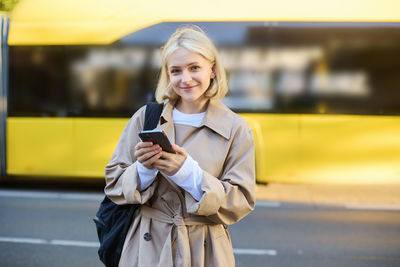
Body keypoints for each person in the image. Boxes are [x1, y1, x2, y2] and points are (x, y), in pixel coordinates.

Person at [105, 25, 256, 267]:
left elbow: (241, 201)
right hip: (146, 248)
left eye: (194, 67)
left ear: (213, 69)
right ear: (167, 75)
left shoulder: (237, 128)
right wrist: (144, 170)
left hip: (205, 251)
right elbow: (113, 182)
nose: (186, 79)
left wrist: (188, 174)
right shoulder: (145, 117)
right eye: (176, 71)